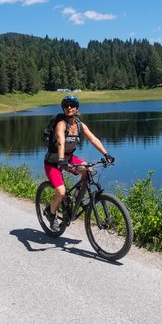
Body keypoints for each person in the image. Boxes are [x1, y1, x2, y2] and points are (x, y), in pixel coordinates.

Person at [44, 95, 114, 232]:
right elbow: (60, 141)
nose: (69, 108)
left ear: (77, 108)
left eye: (72, 105)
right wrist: (61, 160)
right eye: (66, 106)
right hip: (53, 162)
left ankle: (77, 197)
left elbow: (93, 139)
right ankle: (51, 214)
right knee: (61, 191)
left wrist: (106, 154)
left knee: (89, 169)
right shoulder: (61, 124)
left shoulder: (80, 125)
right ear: (63, 109)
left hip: (69, 158)